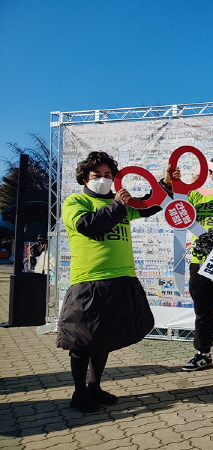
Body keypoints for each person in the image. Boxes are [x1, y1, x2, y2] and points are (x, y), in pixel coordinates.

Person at [56, 151, 159, 413]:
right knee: (83, 341)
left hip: (121, 279)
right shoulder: (76, 201)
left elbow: (151, 204)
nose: (102, 179)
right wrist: (117, 205)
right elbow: (88, 225)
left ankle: (94, 387)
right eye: (96, 175)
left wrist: (167, 184)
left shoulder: (122, 204)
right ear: (84, 177)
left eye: (107, 175)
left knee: (104, 338)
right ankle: (79, 394)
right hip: (89, 281)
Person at [163, 155, 213, 374]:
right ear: (209, 174)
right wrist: (178, 184)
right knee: (202, 310)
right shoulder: (197, 195)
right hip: (200, 261)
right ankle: (203, 353)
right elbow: (177, 209)